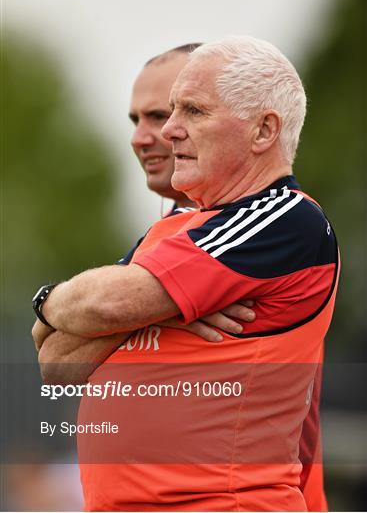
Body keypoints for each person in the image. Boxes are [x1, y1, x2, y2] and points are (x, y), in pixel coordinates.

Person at [32, 36, 339, 511]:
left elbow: (102, 306)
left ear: (263, 131)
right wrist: (162, 312)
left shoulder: (282, 218)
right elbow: (56, 360)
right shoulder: (173, 229)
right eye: (164, 112)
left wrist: (64, 305)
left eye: (190, 111)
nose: (166, 132)